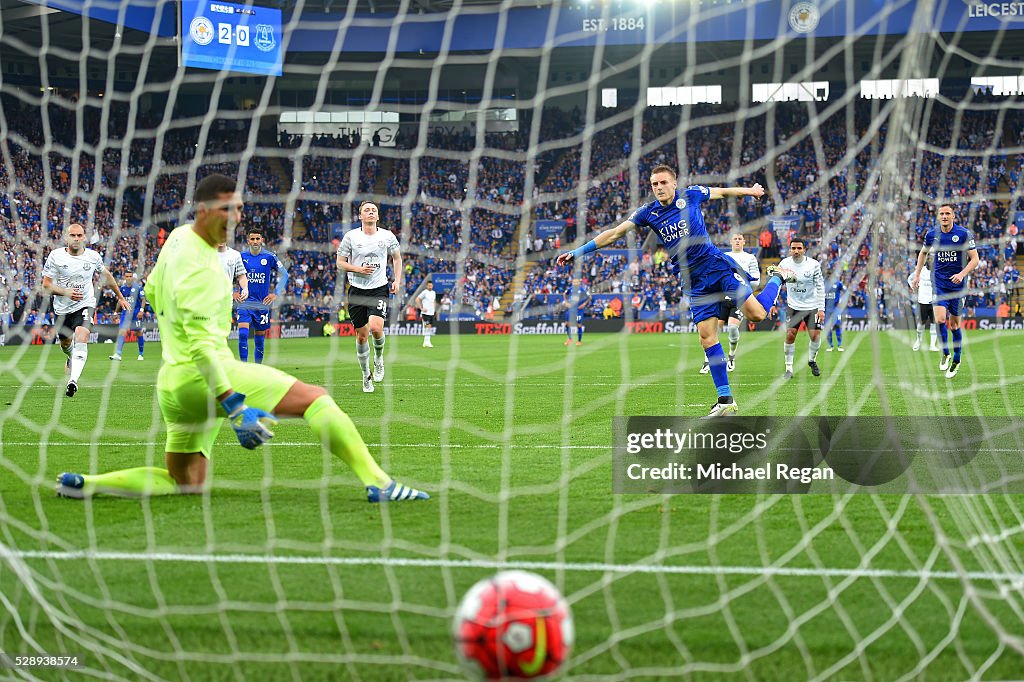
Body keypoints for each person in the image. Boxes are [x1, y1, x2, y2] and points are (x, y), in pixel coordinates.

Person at [56, 174, 427, 503]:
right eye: (228, 210)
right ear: (204, 209)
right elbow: (202, 348)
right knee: (317, 399)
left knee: (184, 482)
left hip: (172, 386)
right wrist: (235, 407)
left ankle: (86, 483)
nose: (235, 218)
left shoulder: (177, 240)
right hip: (211, 377)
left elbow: (152, 290)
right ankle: (379, 482)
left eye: (238, 210)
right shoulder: (204, 270)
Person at [556, 165, 793, 416]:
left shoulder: (691, 195)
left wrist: (751, 191)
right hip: (692, 281)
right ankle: (725, 399)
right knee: (706, 337)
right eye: (654, 184)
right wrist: (577, 252)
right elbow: (614, 233)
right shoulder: (648, 212)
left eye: (663, 183)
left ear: (674, 183)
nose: (658, 187)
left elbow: (722, 192)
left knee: (756, 314)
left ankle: (777, 278)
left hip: (716, 266)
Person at [42, 223, 128, 397]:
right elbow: (46, 285)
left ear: (84, 237)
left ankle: (73, 381)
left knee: (83, 335)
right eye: (72, 235)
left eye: (79, 235)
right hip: (62, 308)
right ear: (66, 237)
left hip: (85, 304)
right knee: (66, 344)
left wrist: (119, 296)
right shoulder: (55, 256)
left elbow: (107, 276)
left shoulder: (93, 257)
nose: (76, 239)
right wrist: (66, 292)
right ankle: (71, 357)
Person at [337, 200, 401, 393]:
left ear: (378, 216)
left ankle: (379, 359)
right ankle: (366, 375)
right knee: (362, 337)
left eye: (374, 210)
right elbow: (340, 262)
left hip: (379, 289)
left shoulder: (387, 236)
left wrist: (397, 281)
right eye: (367, 210)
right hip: (356, 290)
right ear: (360, 216)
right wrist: (358, 269)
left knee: (375, 328)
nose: (371, 212)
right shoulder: (351, 237)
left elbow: (397, 258)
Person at [912, 203, 979, 378]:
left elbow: (974, 259)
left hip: (957, 286)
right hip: (939, 283)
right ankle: (945, 352)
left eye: (947, 213)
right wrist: (917, 275)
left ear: (953, 216)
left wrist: (962, 274)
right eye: (941, 213)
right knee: (940, 319)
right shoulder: (932, 235)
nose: (944, 216)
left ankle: (956, 359)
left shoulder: (963, 234)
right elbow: (922, 254)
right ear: (938, 217)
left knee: (954, 324)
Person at [701, 233, 759, 373]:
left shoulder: (750, 258)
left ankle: (731, 357)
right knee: (713, 331)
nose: (738, 241)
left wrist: (742, 288)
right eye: (735, 239)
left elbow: (756, 281)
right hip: (722, 298)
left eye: (740, 239)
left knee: (733, 328)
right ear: (731, 241)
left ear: (744, 242)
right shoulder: (724, 256)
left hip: (739, 300)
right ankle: (708, 361)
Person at [774, 237, 825, 379]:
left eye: (799, 248)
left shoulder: (813, 265)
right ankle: (789, 368)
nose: (796, 251)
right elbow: (777, 283)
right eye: (793, 248)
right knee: (790, 335)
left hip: (812, 306)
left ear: (804, 250)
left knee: (815, 336)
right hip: (793, 306)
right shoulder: (784, 263)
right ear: (790, 249)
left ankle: (811, 360)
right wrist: (773, 303)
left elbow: (820, 287)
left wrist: (821, 309)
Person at [238, 229, 287, 364]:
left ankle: (257, 369)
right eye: (252, 239)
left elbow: (285, 274)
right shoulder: (240, 257)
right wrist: (233, 291)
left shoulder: (269, 257)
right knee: (243, 334)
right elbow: (229, 274)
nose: (255, 242)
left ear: (262, 240)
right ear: (248, 241)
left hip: (262, 304)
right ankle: (243, 367)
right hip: (245, 302)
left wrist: (275, 293)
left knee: (259, 339)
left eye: (257, 239)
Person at [108, 272, 148, 362]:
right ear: (124, 277)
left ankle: (141, 354)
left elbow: (143, 299)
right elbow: (120, 301)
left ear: (133, 278)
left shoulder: (138, 287)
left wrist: (141, 310)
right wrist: (115, 312)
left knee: (139, 333)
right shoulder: (122, 288)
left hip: (136, 314)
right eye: (127, 276)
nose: (129, 278)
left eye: (130, 276)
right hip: (125, 314)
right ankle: (118, 354)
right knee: (122, 331)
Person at [907, 264, 939, 352]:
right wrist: (914, 287)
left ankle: (932, 345)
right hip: (923, 300)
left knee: (934, 323)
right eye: (929, 258)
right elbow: (910, 278)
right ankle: (918, 341)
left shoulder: (937, 269)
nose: (931, 261)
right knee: (921, 322)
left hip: (934, 301)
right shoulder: (920, 270)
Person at [563, 277, 591, 347]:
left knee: (578, 325)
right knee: (566, 324)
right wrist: (566, 302)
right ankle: (570, 339)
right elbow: (564, 294)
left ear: (579, 282)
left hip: (578, 310)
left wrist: (584, 304)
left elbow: (590, 297)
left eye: (576, 282)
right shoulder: (570, 289)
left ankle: (579, 341)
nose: (575, 283)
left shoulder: (582, 290)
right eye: (574, 282)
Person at [824, 275, 845, 352]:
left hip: (835, 309)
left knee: (837, 326)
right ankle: (831, 346)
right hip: (827, 310)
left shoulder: (838, 284)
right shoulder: (824, 285)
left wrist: (841, 300)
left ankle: (839, 345)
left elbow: (844, 290)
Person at [416, 279, 437, 348]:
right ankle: (427, 342)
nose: (430, 287)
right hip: (425, 313)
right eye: (429, 286)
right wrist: (421, 308)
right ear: (427, 286)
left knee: (429, 327)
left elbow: (433, 301)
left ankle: (426, 342)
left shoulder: (433, 293)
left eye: (431, 286)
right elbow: (417, 299)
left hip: (431, 313)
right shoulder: (424, 292)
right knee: (427, 326)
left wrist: (434, 309)